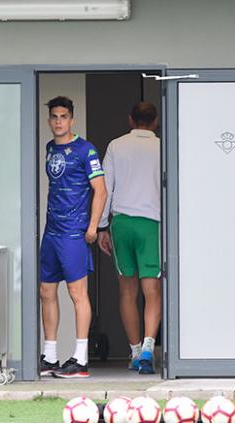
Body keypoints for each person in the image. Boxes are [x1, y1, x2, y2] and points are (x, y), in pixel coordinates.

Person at [39, 96, 107, 379]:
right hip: (51, 232)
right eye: (54, 116)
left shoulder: (85, 150)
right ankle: (50, 356)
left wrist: (92, 227)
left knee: (77, 294)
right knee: (46, 292)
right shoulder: (50, 147)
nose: (58, 121)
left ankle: (80, 359)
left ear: (72, 119)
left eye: (63, 116)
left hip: (74, 232)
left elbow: (100, 191)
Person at [97, 102, 162, 375]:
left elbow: (105, 187)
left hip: (121, 223)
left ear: (130, 119)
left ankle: (134, 351)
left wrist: (101, 226)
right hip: (153, 223)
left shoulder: (115, 145)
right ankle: (148, 347)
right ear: (155, 121)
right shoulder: (163, 146)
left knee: (127, 290)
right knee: (152, 290)